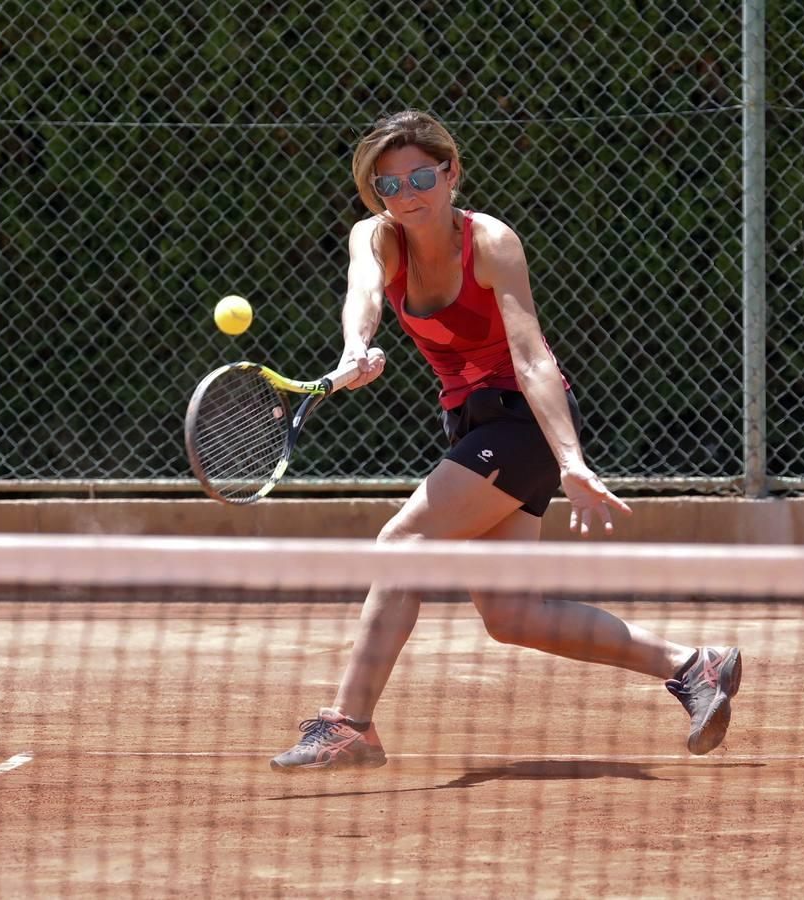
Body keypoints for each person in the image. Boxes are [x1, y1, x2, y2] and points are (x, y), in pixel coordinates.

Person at [270, 110, 742, 771]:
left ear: (452, 172)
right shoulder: (376, 239)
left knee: (402, 545)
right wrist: (357, 345)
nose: (407, 196)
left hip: (523, 421)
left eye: (422, 177)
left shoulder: (490, 242)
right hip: (470, 421)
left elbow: (532, 356)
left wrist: (571, 459)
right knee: (510, 614)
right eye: (389, 186)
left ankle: (350, 725)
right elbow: (364, 294)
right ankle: (697, 666)